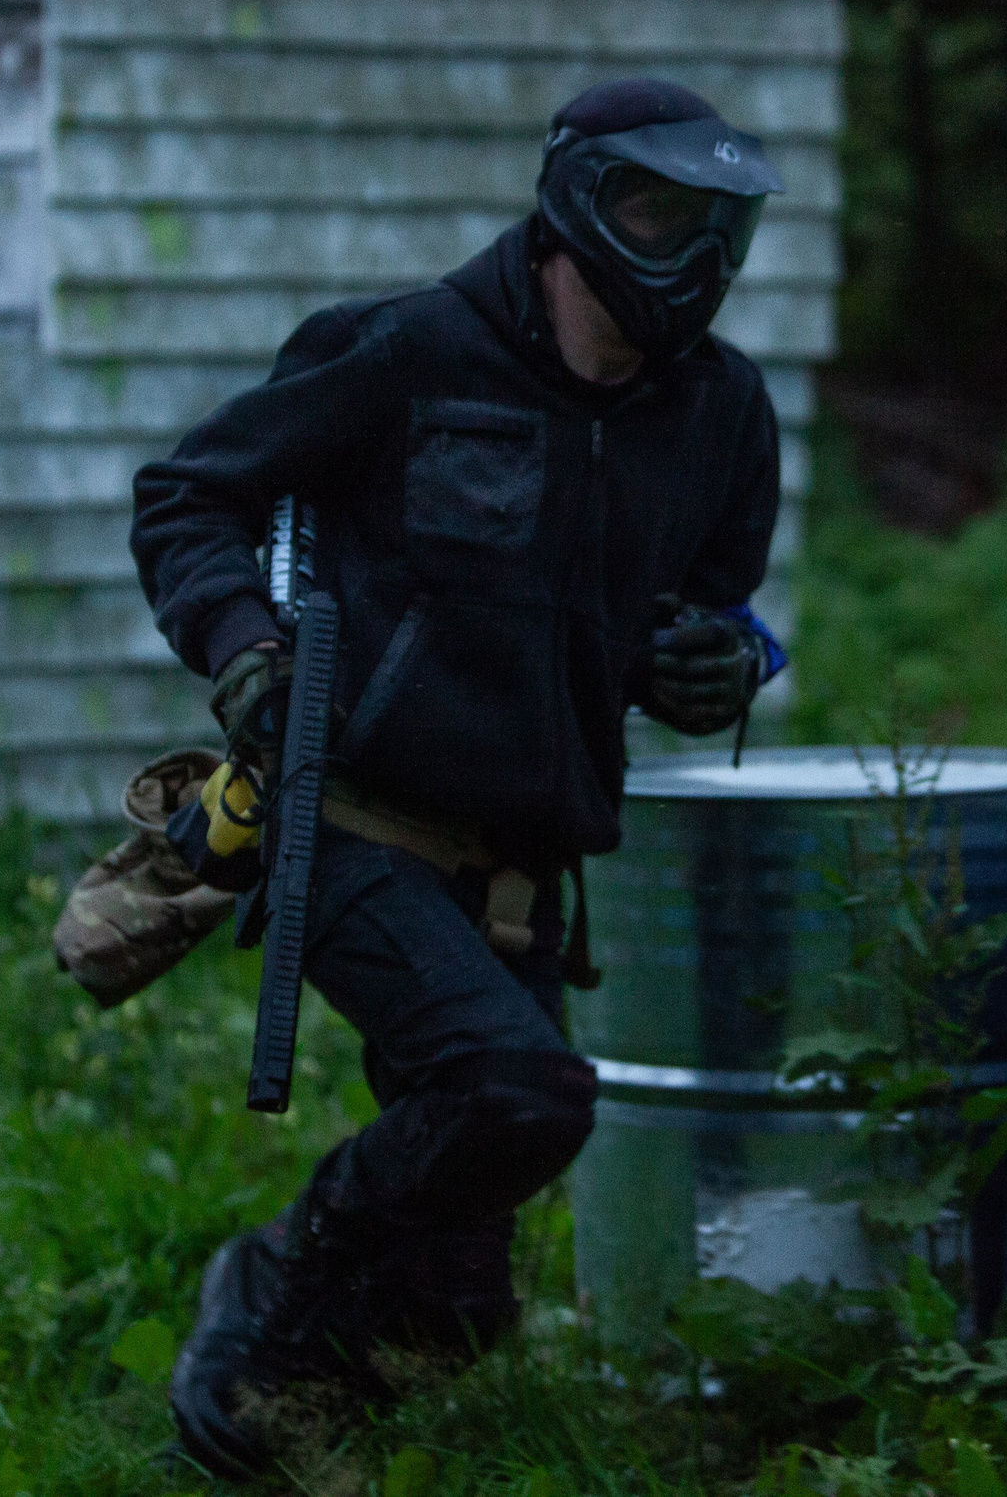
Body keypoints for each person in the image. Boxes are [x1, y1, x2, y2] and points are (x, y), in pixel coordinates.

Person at [127, 77, 788, 1477]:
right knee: (519, 1090)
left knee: (459, 1307)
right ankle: (263, 1327)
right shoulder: (405, 352)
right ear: (573, 208)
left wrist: (716, 664)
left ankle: (304, 1413)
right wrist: (243, 646)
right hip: (355, 816)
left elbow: (712, 610)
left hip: (523, 864)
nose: (693, 257)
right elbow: (190, 493)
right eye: (658, 214)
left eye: (720, 225)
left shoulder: (724, 414)